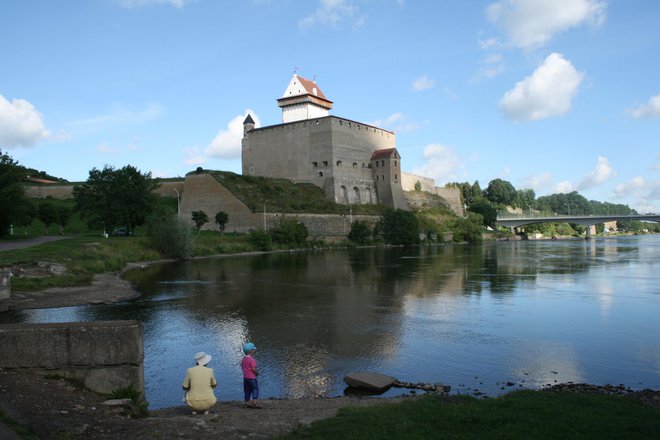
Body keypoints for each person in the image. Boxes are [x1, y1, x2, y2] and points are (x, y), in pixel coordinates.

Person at [241, 342, 260, 408]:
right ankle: (254, 403)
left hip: (245, 378)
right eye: (254, 350)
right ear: (251, 351)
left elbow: (242, 366)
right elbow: (253, 369)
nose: (254, 351)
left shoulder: (243, 359)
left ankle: (246, 403)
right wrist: (257, 373)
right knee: (255, 389)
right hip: (252, 378)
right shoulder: (252, 360)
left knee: (247, 390)